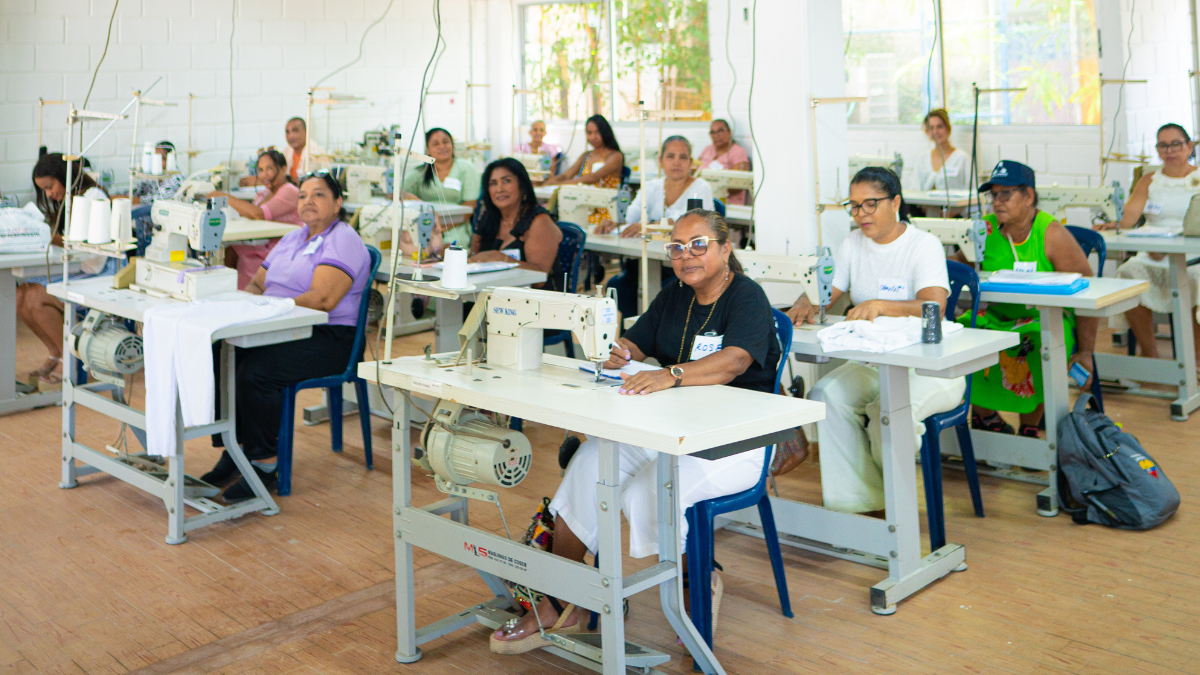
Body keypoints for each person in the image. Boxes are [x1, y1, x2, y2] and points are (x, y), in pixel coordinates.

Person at [489, 209, 778, 654]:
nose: (686, 255)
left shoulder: (747, 297)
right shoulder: (674, 296)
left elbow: (736, 360)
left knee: (648, 491)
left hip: (734, 441)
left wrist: (670, 374)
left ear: (725, 249)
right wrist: (616, 351)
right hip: (671, 427)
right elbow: (633, 344)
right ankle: (561, 599)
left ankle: (697, 581)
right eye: (677, 247)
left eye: (698, 245)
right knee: (589, 465)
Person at [787, 167, 965, 515]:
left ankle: (898, 514)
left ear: (895, 202)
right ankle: (859, 506)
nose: (861, 214)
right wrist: (804, 302)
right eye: (854, 206)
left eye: (870, 204)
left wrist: (881, 305)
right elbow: (825, 293)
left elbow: (934, 306)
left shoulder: (922, 245)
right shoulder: (853, 243)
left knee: (887, 411)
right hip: (876, 362)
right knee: (826, 396)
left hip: (929, 368)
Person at [200, 171, 372, 501]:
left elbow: (323, 299)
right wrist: (244, 308)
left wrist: (270, 308)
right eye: (303, 195)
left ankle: (265, 464)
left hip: (331, 337)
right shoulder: (293, 237)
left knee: (257, 371)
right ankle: (235, 449)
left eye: (319, 194)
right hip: (283, 326)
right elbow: (256, 283)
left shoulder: (343, 239)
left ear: (337, 203)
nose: (308, 201)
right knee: (222, 352)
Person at [962, 160, 1097, 437]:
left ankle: (1030, 425)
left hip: (1044, 318)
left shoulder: (1051, 233)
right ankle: (986, 416)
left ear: (1028, 196)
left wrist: (1086, 351)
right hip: (998, 315)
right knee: (961, 333)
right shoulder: (985, 230)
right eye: (993, 195)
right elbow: (959, 268)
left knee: (1036, 341)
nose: (997, 202)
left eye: (1005, 194)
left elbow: (1088, 290)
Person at [1095, 123, 1200, 365]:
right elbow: (1128, 220)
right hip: (1153, 250)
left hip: (1193, 253)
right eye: (1163, 145)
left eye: (1175, 144)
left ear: (1189, 146)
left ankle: (1195, 359)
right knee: (1128, 272)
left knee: (1196, 278)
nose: (1169, 151)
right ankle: (1150, 356)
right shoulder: (1148, 180)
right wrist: (1111, 225)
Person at [19, 153, 120, 388]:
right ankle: (55, 352)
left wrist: (49, 237)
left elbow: (91, 253)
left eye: (50, 187)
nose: (48, 194)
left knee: (35, 297)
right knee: (19, 295)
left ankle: (69, 359)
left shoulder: (94, 197)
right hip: (80, 265)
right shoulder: (70, 199)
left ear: (64, 177)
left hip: (100, 270)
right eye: (44, 190)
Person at [596, 135, 713, 317]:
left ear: (691, 162)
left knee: (663, 292)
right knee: (617, 287)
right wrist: (615, 223)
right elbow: (631, 218)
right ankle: (632, 333)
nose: (677, 162)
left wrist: (650, 226)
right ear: (660, 160)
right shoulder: (651, 187)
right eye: (670, 156)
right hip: (643, 265)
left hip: (681, 268)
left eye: (683, 157)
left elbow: (688, 223)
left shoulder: (701, 188)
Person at [211, 149, 301, 289]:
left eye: (269, 168)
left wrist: (224, 197)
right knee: (230, 251)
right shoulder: (264, 193)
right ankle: (231, 291)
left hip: (281, 248)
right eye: (260, 170)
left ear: (283, 169)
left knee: (231, 253)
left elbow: (258, 214)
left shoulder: (289, 191)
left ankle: (239, 292)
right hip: (265, 243)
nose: (264, 175)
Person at [469, 158, 563, 290]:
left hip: (534, 298)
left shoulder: (539, 221)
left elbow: (539, 278)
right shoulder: (488, 218)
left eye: (506, 181)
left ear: (522, 185)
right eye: (493, 183)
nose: (499, 189)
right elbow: (474, 257)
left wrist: (502, 259)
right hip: (495, 292)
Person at [402, 127, 481, 251]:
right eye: (435, 144)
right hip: (425, 226)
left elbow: (471, 205)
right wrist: (406, 195)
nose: (442, 147)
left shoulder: (466, 168)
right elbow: (396, 192)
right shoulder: (421, 172)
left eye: (445, 142)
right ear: (427, 150)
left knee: (450, 250)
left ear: (452, 145)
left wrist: (445, 226)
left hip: (456, 226)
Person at [542, 115, 624, 225]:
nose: (593, 137)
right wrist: (551, 181)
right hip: (586, 208)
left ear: (605, 132)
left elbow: (593, 178)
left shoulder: (615, 156)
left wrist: (560, 184)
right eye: (589, 133)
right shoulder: (586, 156)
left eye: (597, 132)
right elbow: (567, 175)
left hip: (606, 212)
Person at [240, 118, 325, 185]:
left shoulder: (316, 153)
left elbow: (307, 183)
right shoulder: (285, 152)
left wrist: (261, 181)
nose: (290, 136)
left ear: (306, 131)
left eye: (295, 131)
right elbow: (276, 177)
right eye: (287, 132)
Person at [913, 109, 969, 192]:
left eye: (940, 127)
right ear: (927, 132)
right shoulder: (922, 159)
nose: (935, 131)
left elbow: (972, 190)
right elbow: (914, 189)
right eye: (931, 128)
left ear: (948, 128)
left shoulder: (962, 158)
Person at [697, 119, 751, 205]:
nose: (716, 135)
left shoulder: (738, 152)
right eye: (712, 132)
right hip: (704, 198)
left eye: (720, 131)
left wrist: (715, 186)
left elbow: (738, 184)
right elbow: (695, 171)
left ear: (729, 132)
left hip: (728, 203)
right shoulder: (708, 149)